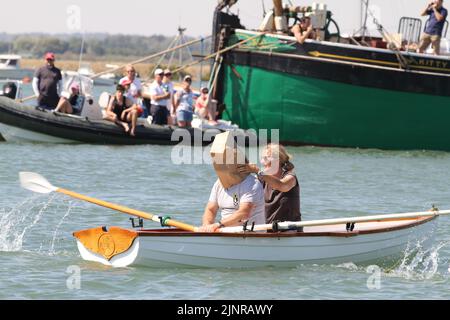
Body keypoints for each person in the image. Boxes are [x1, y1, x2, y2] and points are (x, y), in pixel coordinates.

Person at [199, 148, 266, 233]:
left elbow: (244, 213)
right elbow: (211, 209)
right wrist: (207, 226)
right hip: (225, 233)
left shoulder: (252, 184)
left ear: (240, 166)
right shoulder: (219, 184)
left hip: (250, 236)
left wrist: (218, 225)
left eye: (226, 164)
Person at [238, 143, 301, 224]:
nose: (262, 161)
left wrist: (257, 171)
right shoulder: (261, 179)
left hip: (289, 230)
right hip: (266, 228)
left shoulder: (290, 177)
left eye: (266, 157)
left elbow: (282, 185)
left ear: (278, 159)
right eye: (262, 158)